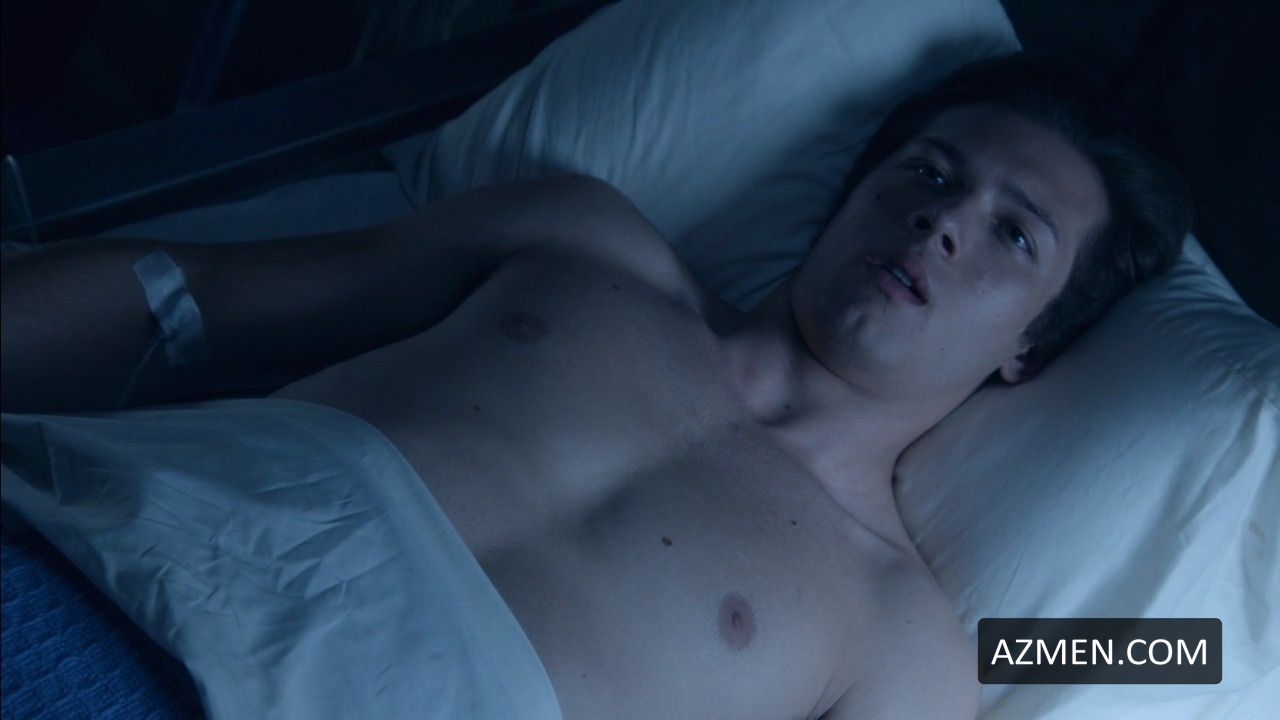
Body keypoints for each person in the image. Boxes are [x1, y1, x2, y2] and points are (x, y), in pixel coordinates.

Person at [1, 56, 1190, 720]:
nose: (940, 222)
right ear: (854, 190)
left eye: (1012, 233)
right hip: (90, 565)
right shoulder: (582, 245)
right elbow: (195, 295)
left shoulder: (901, 634)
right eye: (926, 173)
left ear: (1028, 347)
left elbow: (1161, 654)